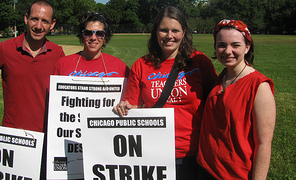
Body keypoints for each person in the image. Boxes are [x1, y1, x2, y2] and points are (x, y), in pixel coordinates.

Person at [113, 6, 217, 180]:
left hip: (192, 153)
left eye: (175, 30)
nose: (169, 35)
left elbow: (216, 101)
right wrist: (125, 107)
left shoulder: (199, 61)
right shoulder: (141, 65)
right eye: (163, 30)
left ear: (183, 33)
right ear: (156, 33)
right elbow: (133, 105)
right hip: (154, 151)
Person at [197, 19, 276, 180]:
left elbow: (264, 144)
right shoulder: (222, 77)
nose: (227, 51)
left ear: (247, 47)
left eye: (235, 45)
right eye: (221, 45)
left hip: (235, 175)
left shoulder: (259, 86)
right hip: (206, 169)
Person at [0, 0, 65, 136]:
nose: (38, 26)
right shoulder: (5, 49)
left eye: (45, 21)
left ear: (52, 24)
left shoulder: (57, 53)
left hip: (47, 136)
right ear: (26, 19)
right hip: (13, 137)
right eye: (34, 19)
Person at [53, 12, 129, 78]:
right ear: (82, 37)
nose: (93, 38)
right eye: (88, 33)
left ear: (105, 38)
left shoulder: (120, 67)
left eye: (99, 34)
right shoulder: (63, 64)